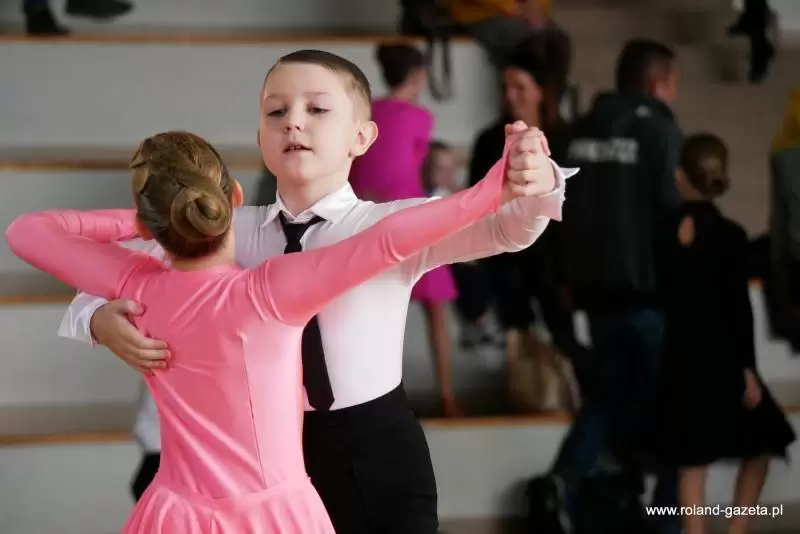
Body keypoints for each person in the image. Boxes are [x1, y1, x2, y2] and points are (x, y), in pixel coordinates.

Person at [58, 49, 573, 534]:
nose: (293, 122)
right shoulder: (220, 230)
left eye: (317, 109)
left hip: (374, 449)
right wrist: (98, 321)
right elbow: (104, 279)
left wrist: (539, 180)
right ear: (260, 139)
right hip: (256, 463)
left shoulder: (393, 223)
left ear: (362, 137)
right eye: (276, 111)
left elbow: (507, 229)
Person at [526, 39, 684, 534]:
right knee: (672, 403)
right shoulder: (659, 129)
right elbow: (670, 211)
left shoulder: (575, 132)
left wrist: (564, 279)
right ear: (657, 84)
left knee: (608, 398)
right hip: (650, 295)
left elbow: (555, 210)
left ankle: (562, 484)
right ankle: (669, 515)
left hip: (592, 295)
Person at [648, 133, 796, 534]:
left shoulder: (664, 233)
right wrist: (747, 369)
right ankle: (738, 528)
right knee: (763, 442)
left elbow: (662, 295)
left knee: (692, 463)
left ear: (680, 176)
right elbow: (739, 310)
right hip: (724, 361)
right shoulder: (731, 235)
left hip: (680, 360)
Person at [349, 43, 461, 416]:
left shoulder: (365, 113)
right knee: (436, 309)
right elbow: (417, 168)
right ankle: (447, 394)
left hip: (369, 218)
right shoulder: (420, 117)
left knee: (374, 312)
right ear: (416, 76)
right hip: (412, 218)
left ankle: (371, 395)